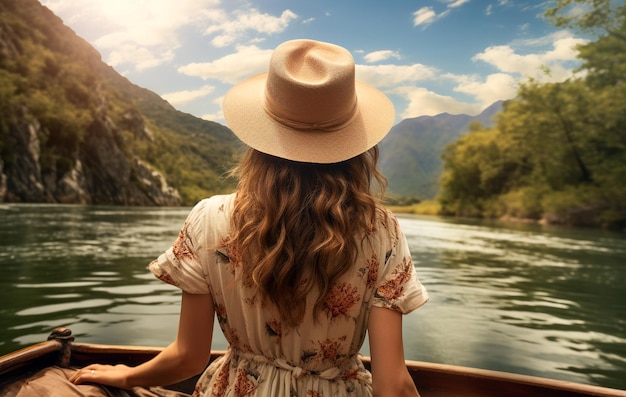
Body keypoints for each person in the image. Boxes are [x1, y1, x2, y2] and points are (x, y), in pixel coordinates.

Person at [70, 39, 429, 397]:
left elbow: (188, 357)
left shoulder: (207, 219)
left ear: (261, 135)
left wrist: (125, 377)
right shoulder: (381, 231)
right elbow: (392, 383)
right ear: (354, 145)